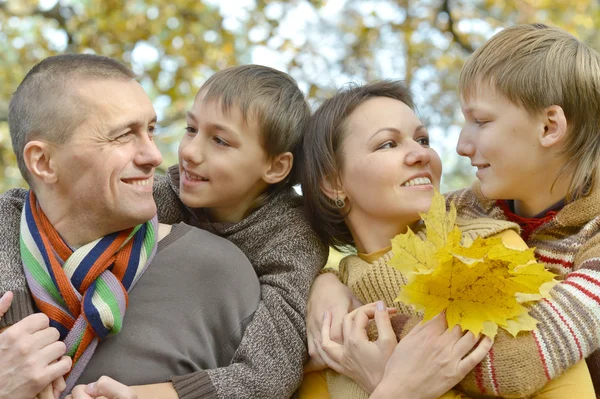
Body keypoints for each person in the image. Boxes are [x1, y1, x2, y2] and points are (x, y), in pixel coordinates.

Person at [1, 61, 329, 397]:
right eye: (190, 129)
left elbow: (268, 373)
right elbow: (15, 206)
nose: (185, 153)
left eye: (219, 140)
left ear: (276, 166)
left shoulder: (293, 237)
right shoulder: (169, 193)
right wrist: (20, 319)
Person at [298, 80, 595, 398]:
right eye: (387, 144)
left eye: (422, 139)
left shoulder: (488, 248)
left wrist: (389, 385)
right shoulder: (326, 322)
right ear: (333, 183)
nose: (420, 154)